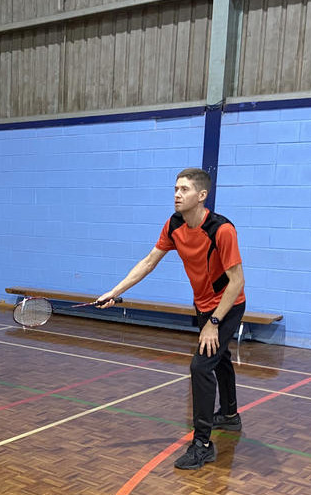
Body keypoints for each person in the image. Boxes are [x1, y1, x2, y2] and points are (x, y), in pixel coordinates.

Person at [96, 168, 246, 470]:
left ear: (202, 196)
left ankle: (202, 445)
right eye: (176, 188)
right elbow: (149, 261)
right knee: (221, 358)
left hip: (228, 306)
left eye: (185, 189)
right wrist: (114, 291)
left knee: (201, 366)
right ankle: (229, 415)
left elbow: (237, 281)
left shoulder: (222, 230)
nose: (177, 194)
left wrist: (213, 324)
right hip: (203, 304)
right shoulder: (174, 224)